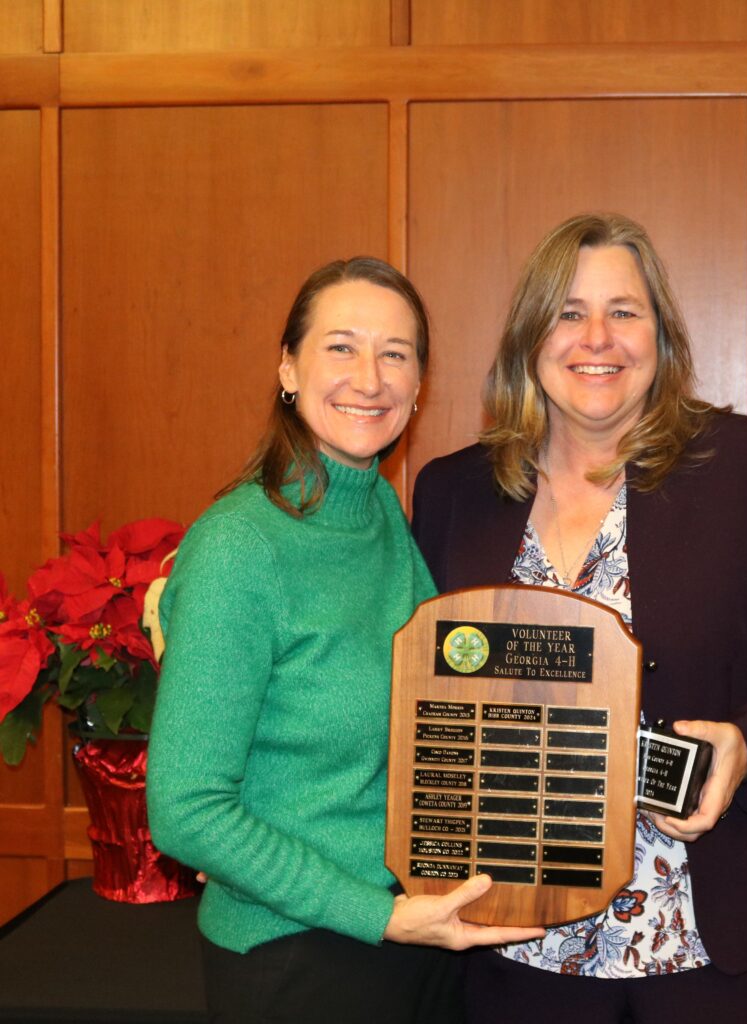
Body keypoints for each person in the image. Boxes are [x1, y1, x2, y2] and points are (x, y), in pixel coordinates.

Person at [411, 214, 747, 1023]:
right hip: (518, 950)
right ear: (529, 338)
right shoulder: (454, 492)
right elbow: (414, 695)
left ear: (661, 338)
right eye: (567, 312)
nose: (596, 337)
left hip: (717, 947)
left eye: (624, 312)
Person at [147, 257, 542, 1024]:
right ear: (288, 367)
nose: (371, 377)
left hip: (406, 933)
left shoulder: (382, 516)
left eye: (395, 353)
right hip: (297, 956)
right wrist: (379, 914)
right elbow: (186, 809)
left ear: (419, 385)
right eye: (341, 347)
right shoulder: (241, 546)